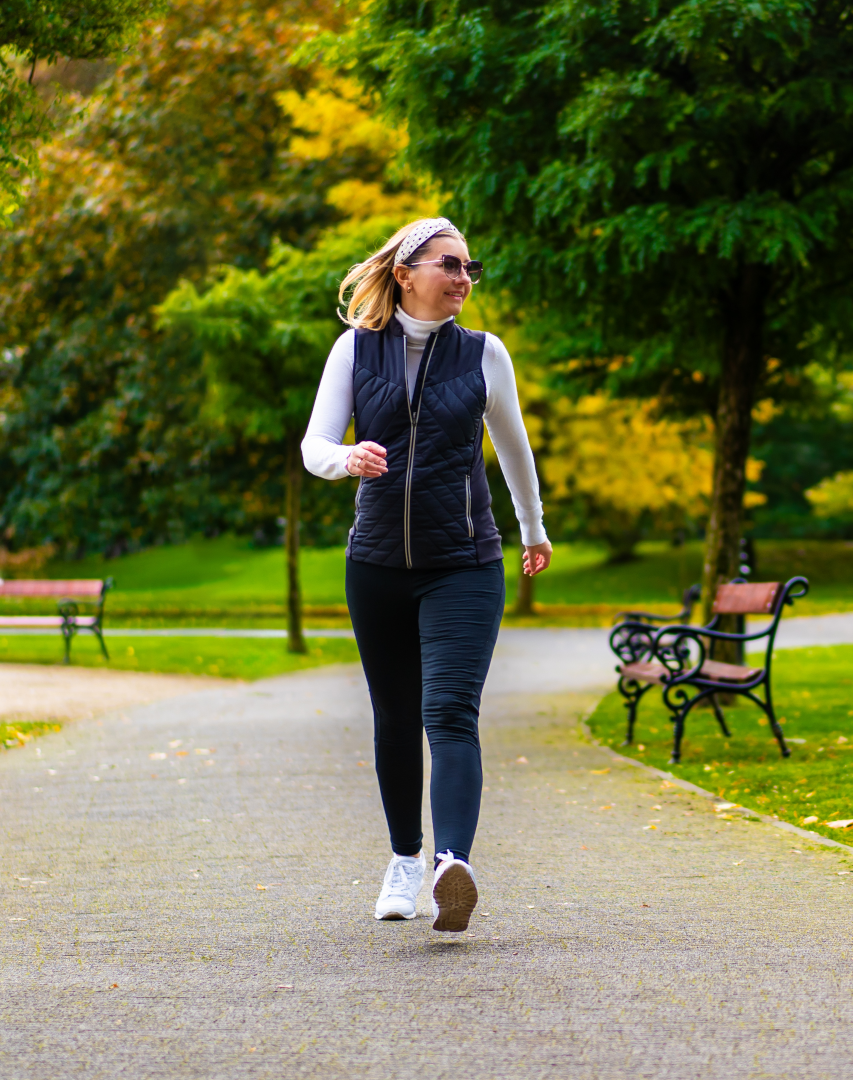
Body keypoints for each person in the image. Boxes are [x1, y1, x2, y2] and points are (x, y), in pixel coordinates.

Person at [301, 217, 552, 932]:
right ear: (406, 272)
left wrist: (532, 528)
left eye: (472, 269)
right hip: (376, 562)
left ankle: (451, 866)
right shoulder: (356, 349)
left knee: (448, 711)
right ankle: (404, 861)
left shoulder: (483, 354)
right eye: (451, 265)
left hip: (464, 562)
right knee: (394, 717)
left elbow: (514, 448)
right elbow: (314, 443)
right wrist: (345, 459)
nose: (464, 279)